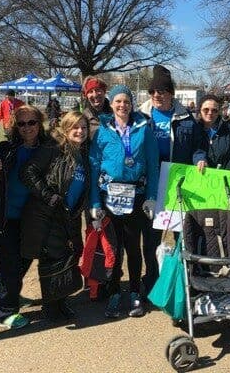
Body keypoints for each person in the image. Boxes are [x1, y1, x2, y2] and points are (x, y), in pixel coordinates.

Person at [90, 85, 159, 318]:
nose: (122, 106)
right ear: (111, 104)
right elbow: (94, 167)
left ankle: (135, 292)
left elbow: (152, 164)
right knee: (114, 249)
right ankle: (114, 293)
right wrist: (95, 203)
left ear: (132, 104)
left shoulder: (144, 129)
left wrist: (151, 197)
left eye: (126, 102)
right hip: (109, 196)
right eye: (118, 101)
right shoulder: (102, 131)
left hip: (136, 196)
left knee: (133, 247)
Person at [138, 65, 206, 292]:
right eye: (154, 91)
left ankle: (181, 281)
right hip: (151, 184)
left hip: (178, 183)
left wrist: (199, 159)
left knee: (181, 236)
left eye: (163, 91)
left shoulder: (186, 118)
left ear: (171, 93)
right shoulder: (141, 116)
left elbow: (198, 147)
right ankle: (152, 281)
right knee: (151, 237)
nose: (157, 95)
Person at [0, 105, 49, 330]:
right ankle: (5, 313)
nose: (27, 128)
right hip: (4, 216)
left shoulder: (46, 149)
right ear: (14, 126)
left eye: (32, 122)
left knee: (25, 257)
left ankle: (12, 294)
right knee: (9, 262)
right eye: (22, 123)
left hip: (30, 216)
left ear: (39, 124)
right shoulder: (5, 149)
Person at [20, 111, 90, 322]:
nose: (80, 131)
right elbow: (28, 172)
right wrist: (49, 196)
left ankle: (61, 301)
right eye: (75, 127)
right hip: (48, 213)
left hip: (69, 214)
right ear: (66, 129)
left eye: (84, 127)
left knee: (68, 257)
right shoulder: (53, 148)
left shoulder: (83, 152)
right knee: (52, 260)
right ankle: (51, 308)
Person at [196, 94, 230, 171]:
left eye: (214, 110)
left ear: (219, 112)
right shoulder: (194, 130)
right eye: (206, 109)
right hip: (200, 177)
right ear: (200, 110)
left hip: (224, 177)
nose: (210, 113)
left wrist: (224, 176)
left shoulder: (229, 130)